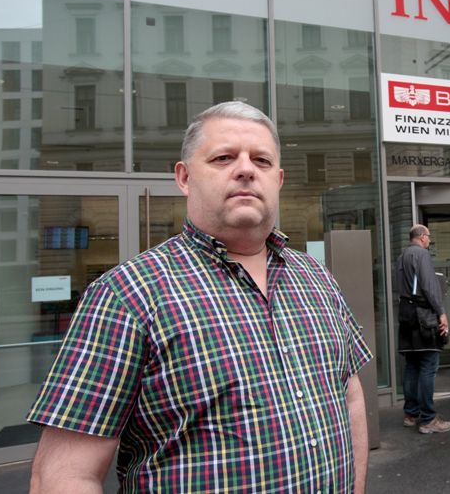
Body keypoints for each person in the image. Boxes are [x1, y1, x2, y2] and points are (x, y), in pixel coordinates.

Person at [27, 101, 373, 493]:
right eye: (224, 157)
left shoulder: (317, 278)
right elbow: (64, 475)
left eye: (261, 160)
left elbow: (349, 396)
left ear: (278, 180)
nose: (245, 169)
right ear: (185, 177)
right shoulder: (127, 294)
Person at [396, 224, 450, 434]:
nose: (429, 240)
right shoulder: (421, 255)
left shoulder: (401, 257)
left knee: (412, 365)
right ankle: (428, 418)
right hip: (423, 316)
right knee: (429, 365)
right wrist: (441, 313)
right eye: (428, 236)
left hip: (406, 315)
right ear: (421, 237)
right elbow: (429, 286)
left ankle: (411, 414)